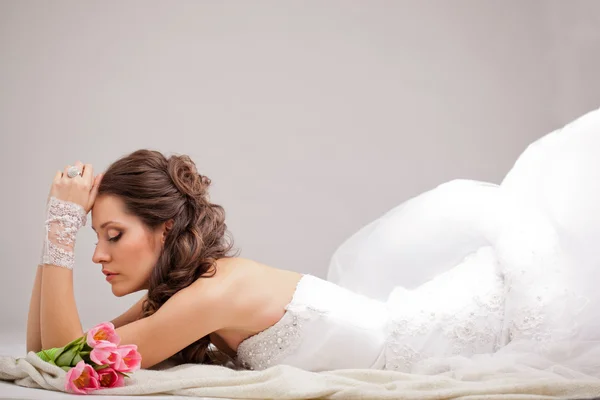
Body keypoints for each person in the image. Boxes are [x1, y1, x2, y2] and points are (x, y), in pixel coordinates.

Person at [27, 107, 600, 378]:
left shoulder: (209, 297)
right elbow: (55, 352)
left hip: (451, 329)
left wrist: (59, 223)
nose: (98, 254)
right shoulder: (189, 290)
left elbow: (63, 362)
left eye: (112, 235)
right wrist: (54, 236)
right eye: (90, 237)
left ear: (165, 229)